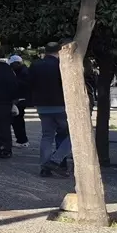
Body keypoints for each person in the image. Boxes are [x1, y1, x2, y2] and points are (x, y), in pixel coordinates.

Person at [29, 41, 72, 177]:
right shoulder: (62, 65)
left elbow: (30, 83)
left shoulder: (35, 65)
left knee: (47, 136)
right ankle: (55, 160)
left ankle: (45, 168)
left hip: (42, 106)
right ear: (59, 51)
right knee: (72, 136)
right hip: (61, 105)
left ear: (46, 51)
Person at [8, 54, 31, 147]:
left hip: (20, 99)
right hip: (20, 98)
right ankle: (21, 139)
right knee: (18, 120)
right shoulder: (22, 71)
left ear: (17, 63)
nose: (11, 67)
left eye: (12, 65)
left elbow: (24, 85)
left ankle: (22, 140)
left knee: (17, 120)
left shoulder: (23, 73)